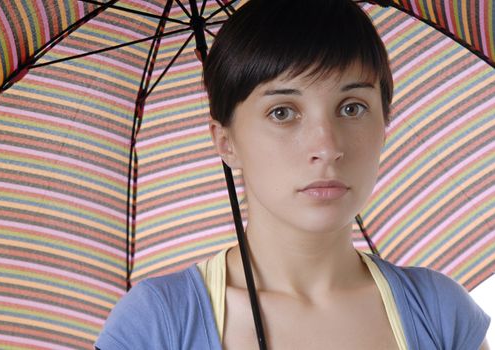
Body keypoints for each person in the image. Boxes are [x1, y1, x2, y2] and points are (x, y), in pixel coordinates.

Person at [95, 0, 490, 348]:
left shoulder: (440, 313)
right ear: (225, 141)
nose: (326, 146)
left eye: (352, 107)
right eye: (282, 112)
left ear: (385, 123)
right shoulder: (157, 325)